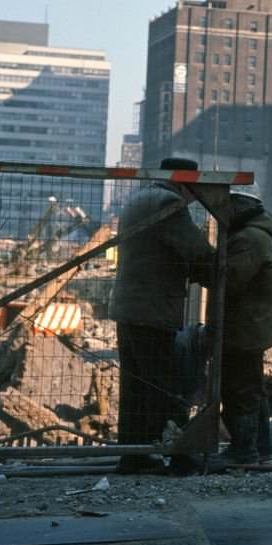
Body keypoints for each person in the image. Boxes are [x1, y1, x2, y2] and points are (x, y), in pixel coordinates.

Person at [110, 157, 215, 473]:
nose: (196, 197)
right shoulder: (168, 203)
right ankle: (182, 455)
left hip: (129, 307)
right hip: (153, 309)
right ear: (184, 182)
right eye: (195, 189)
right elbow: (196, 251)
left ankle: (134, 454)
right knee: (167, 384)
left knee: (136, 388)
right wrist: (220, 272)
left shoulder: (140, 197)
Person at [220, 186, 272, 464]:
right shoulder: (257, 236)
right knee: (251, 386)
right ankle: (262, 446)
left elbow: (228, 281)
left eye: (229, 205)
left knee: (239, 388)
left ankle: (244, 450)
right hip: (251, 325)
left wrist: (207, 264)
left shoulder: (248, 239)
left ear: (241, 206)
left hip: (243, 327)